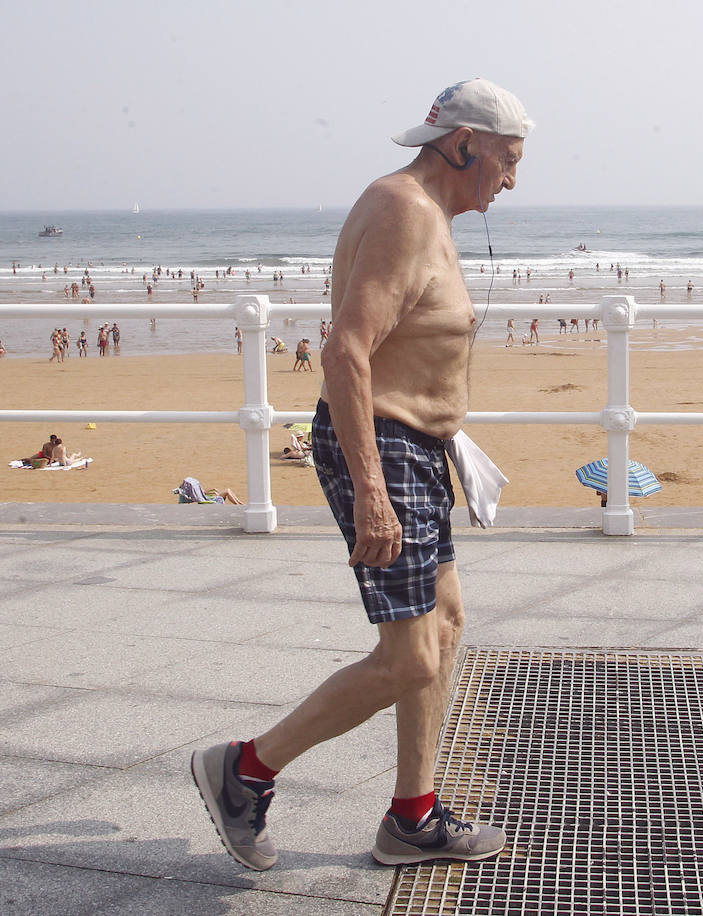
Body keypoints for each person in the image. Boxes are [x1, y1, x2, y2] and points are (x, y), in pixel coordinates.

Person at [191, 77, 529, 873]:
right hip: (383, 445)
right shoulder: (405, 209)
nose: (513, 179)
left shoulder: (426, 210)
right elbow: (347, 347)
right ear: (463, 146)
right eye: (507, 161)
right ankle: (244, 772)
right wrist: (374, 493)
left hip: (418, 447)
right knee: (409, 655)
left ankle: (413, 818)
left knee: (443, 629)